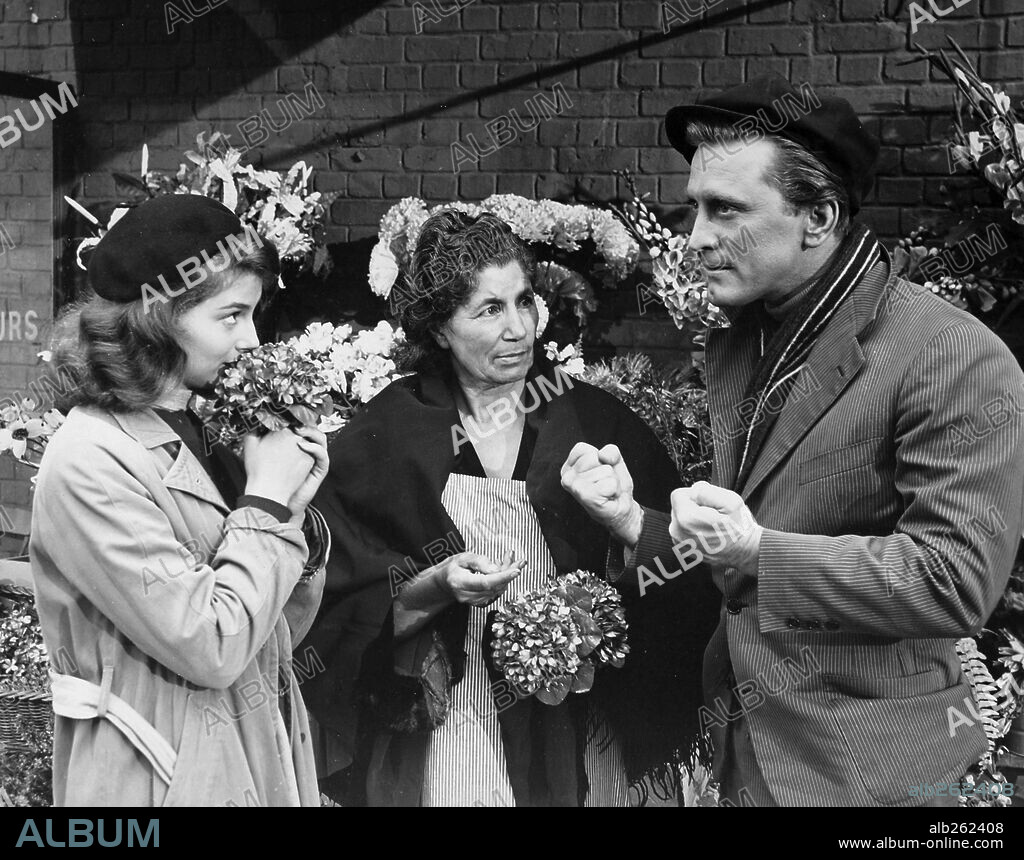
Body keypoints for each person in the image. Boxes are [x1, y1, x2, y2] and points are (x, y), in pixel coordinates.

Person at [561, 74, 1024, 807]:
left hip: (872, 777)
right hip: (743, 757)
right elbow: (744, 558)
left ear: (819, 217)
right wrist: (632, 524)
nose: (696, 237)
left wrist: (753, 549)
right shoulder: (741, 344)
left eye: (726, 209)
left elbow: (953, 580)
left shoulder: (951, 354)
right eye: (695, 208)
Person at [303, 210, 720, 806]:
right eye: (490, 309)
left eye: (524, 301)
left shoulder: (595, 423)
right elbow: (333, 605)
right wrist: (431, 588)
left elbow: (693, 572)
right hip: (448, 728)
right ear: (439, 328)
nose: (519, 329)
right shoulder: (388, 435)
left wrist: (622, 529)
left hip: (580, 728)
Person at [30, 194, 330, 807]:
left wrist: (295, 516)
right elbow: (211, 645)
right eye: (231, 316)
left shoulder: (200, 426)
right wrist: (266, 508)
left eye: (253, 313)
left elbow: (269, 636)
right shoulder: (90, 459)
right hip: (154, 774)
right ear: (157, 319)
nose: (251, 339)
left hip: (246, 747)